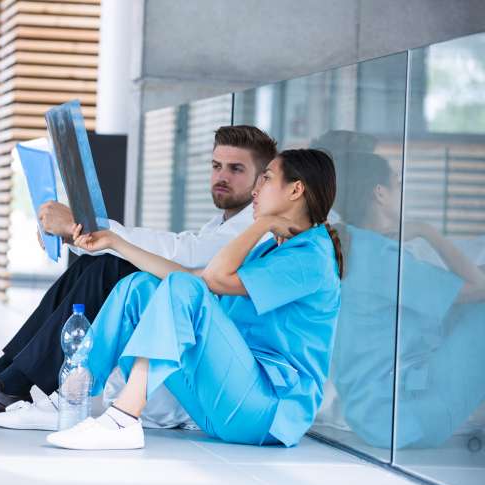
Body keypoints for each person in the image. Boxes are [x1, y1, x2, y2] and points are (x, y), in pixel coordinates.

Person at [0, 125, 278, 425]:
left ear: (262, 180)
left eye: (235, 169)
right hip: (188, 343)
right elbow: (181, 248)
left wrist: (88, 228)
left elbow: (181, 254)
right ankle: (0, 377)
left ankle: (16, 384)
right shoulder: (224, 223)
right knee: (95, 266)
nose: (221, 177)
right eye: (216, 166)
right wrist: (86, 237)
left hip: (207, 369)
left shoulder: (255, 229)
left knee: (111, 266)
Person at [46, 148, 343, 450]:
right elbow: (194, 278)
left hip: (266, 410)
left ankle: (123, 419)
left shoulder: (311, 256)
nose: (255, 189)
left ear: (296, 189)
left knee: (180, 287)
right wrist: (116, 243)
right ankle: (69, 401)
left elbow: (211, 280)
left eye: (265, 179)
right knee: (140, 287)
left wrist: (262, 223)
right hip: (223, 401)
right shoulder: (270, 250)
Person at [323, 151, 485, 449]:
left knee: (453, 310)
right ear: (380, 193)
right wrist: (427, 231)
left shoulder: (351, 244)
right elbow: (479, 287)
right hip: (401, 418)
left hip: (368, 413)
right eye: (398, 185)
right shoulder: (382, 257)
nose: (402, 193)